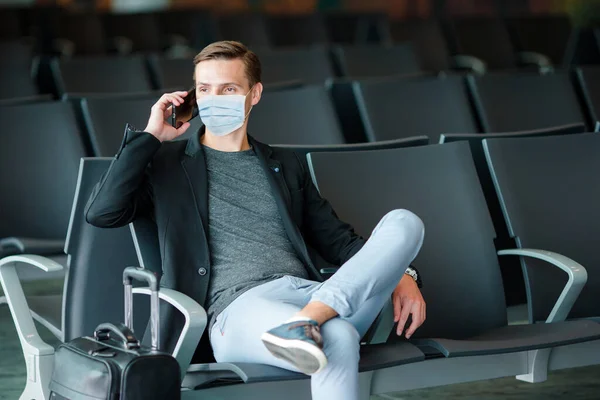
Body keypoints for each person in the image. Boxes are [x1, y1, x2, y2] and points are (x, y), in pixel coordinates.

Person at [85, 41, 426, 400]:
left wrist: (404, 274)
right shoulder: (167, 165)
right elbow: (102, 212)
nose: (214, 98)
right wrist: (152, 135)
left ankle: (308, 319)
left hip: (311, 293)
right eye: (204, 90)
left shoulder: (286, 165)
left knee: (405, 222)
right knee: (338, 335)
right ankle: (308, 323)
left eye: (228, 89)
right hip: (238, 312)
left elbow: (340, 243)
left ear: (254, 93)